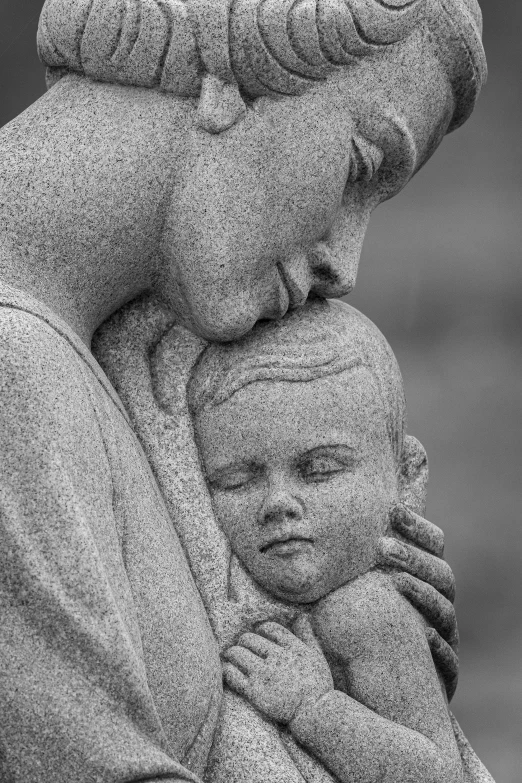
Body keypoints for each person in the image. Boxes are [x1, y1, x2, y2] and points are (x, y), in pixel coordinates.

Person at [0, 0, 486, 780]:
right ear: (225, 79)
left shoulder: (118, 360)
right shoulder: (15, 372)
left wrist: (351, 621)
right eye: (362, 164)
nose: (346, 265)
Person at [183, 297, 493, 783]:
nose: (279, 502)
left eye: (319, 469)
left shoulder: (361, 611)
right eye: (237, 480)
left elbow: (439, 776)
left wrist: (313, 707)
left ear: (406, 478)